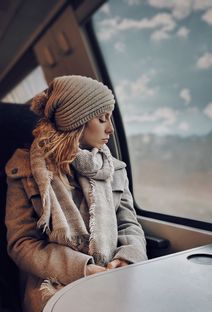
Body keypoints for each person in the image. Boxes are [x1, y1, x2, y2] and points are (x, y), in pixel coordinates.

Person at [5, 75, 147, 312]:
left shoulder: (114, 170)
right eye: (102, 119)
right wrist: (82, 269)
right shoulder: (26, 171)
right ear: (76, 123)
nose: (110, 128)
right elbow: (22, 243)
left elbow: (128, 225)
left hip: (111, 280)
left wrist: (125, 259)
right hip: (52, 288)